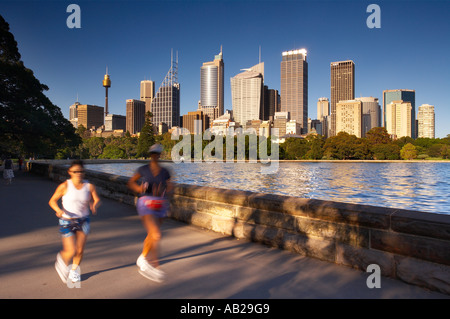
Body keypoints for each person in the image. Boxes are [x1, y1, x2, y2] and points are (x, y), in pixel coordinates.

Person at [48, 160, 101, 284]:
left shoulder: (89, 186)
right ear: (70, 172)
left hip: (83, 220)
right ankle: (61, 259)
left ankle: (74, 271)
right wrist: (58, 210)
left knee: (80, 250)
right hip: (67, 221)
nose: (78, 174)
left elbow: (96, 199)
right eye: (75, 171)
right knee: (70, 250)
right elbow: (52, 201)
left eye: (81, 171)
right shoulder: (64, 186)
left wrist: (94, 205)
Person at [127, 144, 172, 282]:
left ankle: (142, 257)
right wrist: (139, 189)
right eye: (153, 153)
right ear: (150, 154)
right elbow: (131, 182)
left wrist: (166, 194)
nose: (155, 155)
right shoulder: (143, 169)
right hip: (145, 203)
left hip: (160, 204)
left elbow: (170, 186)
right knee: (156, 234)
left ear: (160, 154)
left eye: (157, 153)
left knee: (152, 234)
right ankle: (155, 267)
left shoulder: (165, 171)